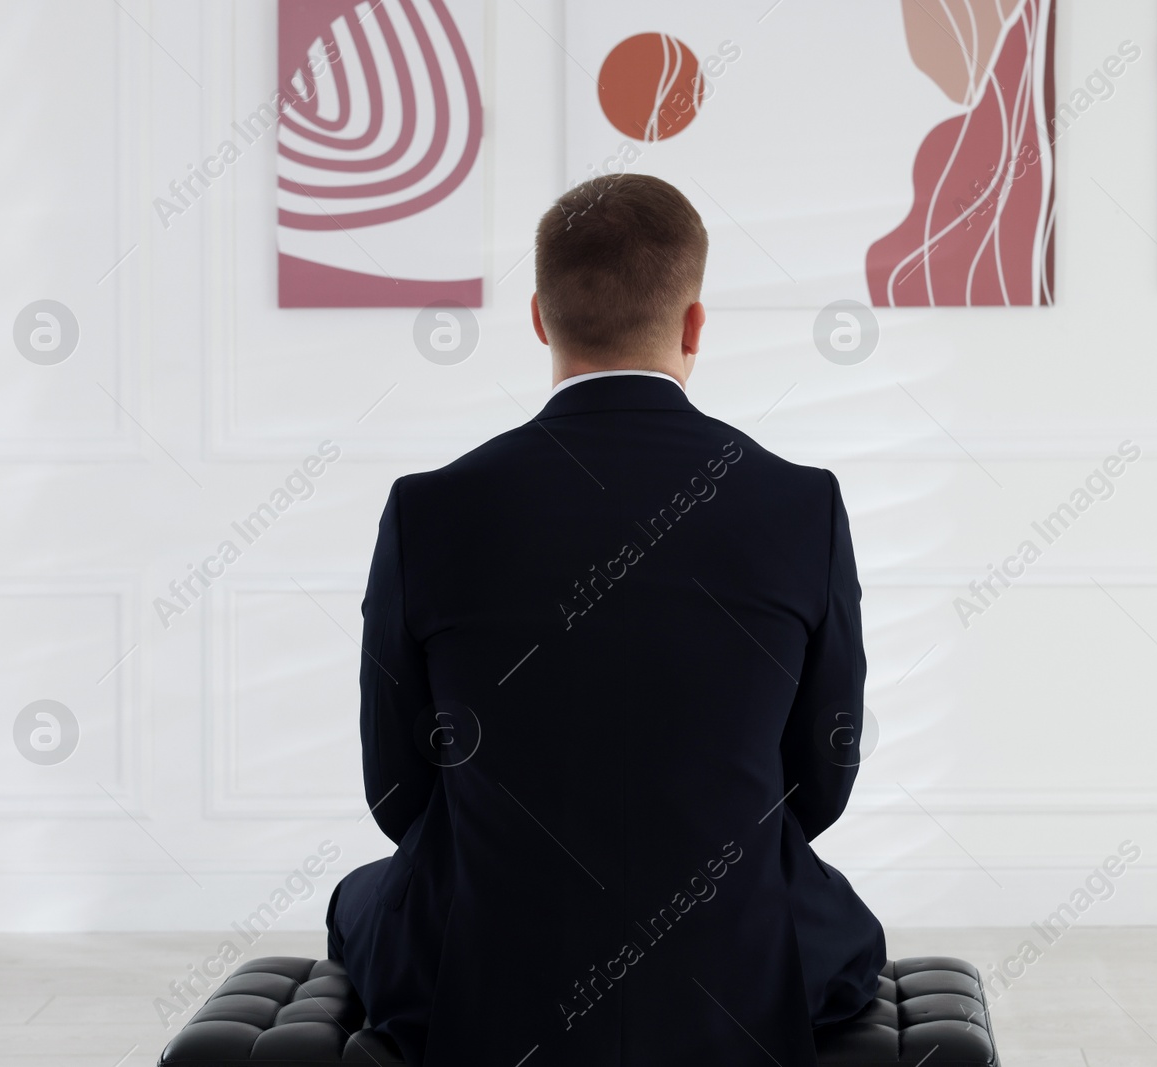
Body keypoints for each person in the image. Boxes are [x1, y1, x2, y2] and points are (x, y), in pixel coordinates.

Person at [326, 173, 886, 1066]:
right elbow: (820, 787)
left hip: (491, 960)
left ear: (541, 318)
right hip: (732, 960)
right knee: (839, 927)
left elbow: (398, 793)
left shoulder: (430, 510)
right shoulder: (799, 504)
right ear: (695, 323)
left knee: (360, 900)